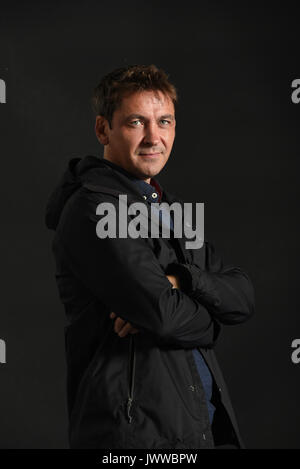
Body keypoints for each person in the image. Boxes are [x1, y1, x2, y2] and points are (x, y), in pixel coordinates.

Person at [45, 64, 255, 449]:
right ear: (103, 129)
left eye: (165, 121)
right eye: (136, 122)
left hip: (202, 424)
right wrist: (210, 316)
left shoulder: (169, 209)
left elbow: (242, 297)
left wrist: (183, 280)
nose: (154, 137)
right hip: (135, 436)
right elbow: (166, 317)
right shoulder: (93, 209)